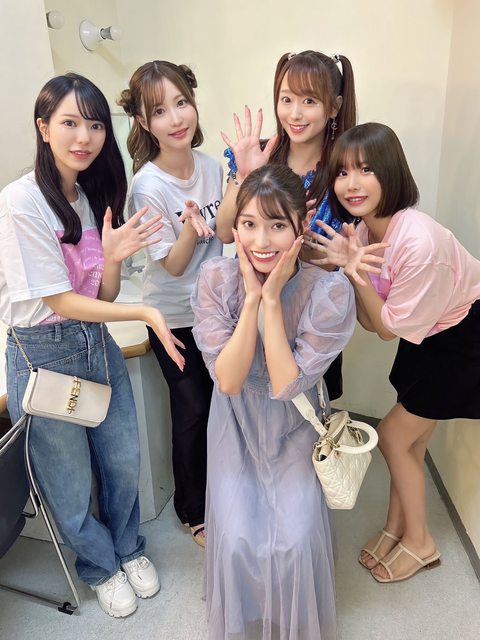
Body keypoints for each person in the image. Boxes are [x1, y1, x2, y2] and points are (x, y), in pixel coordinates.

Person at [0, 73, 186, 618]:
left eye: (96, 125)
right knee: (69, 478)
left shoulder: (84, 197)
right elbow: (59, 300)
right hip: (42, 350)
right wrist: (144, 311)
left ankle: (128, 548)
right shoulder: (20, 203)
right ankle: (100, 566)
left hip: (93, 341)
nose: (84, 137)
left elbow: (98, 295)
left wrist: (115, 257)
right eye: (69, 123)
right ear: (43, 127)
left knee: (122, 457)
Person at [308, 122, 480, 583]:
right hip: (430, 333)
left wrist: (353, 272)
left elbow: (383, 328)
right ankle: (396, 527)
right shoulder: (366, 232)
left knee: (392, 436)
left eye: (366, 169)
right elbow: (374, 319)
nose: (352, 183)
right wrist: (350, 268)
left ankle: (421, 543)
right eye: (342, 172)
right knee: (412, 442)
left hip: (465, 339)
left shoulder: (418, 243)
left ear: (391, 171)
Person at [191, 164, 356, 639]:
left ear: (300, 227)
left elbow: (286, 385)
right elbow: (229, 380)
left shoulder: (328, 291)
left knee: (294, 541)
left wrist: (272, 300)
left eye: (277, 225)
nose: (261, 241)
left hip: (295, 428)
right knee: (237, 538)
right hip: (235, 424)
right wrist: (250, 299)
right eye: (248, 224)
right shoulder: (216, 278)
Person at [118, 60, 223, 547]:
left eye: (182, 103)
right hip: (172, 318)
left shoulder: (212, 167)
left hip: (217, 311)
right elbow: (175, 266)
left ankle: (224, 492)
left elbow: (225, 235)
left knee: (224, 404)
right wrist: (187, 228)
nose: (176, 118)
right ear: (143, 121)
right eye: (160, 111)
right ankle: (193, 510)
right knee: (193, 409)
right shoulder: (148, 185)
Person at [217, 49, 357, 401]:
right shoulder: (259, 154)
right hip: (249, 309)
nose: (295, 113)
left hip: (309, 321)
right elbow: (223, 231)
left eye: (309, 101)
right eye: (286, 99)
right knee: (244, 397)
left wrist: (302, 245)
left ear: (334, 107)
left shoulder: (344, 176)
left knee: (306, 409)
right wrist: (245, 176)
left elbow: (338, 261)